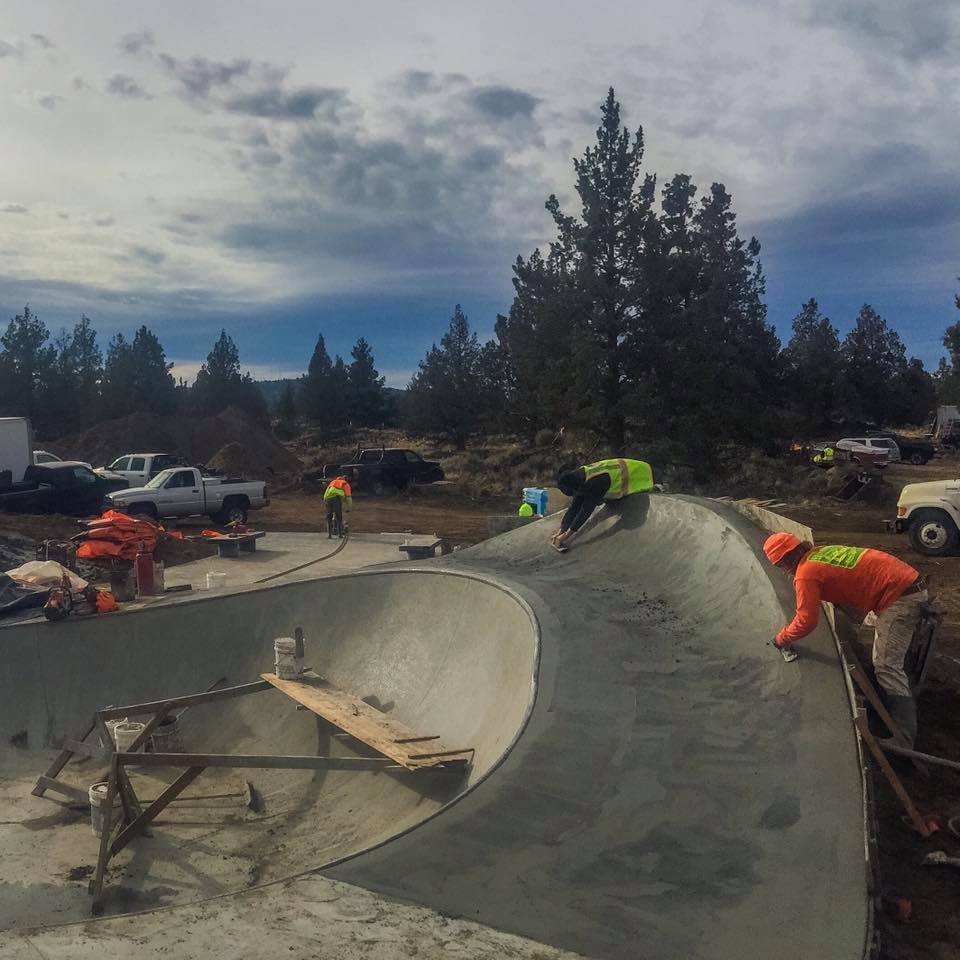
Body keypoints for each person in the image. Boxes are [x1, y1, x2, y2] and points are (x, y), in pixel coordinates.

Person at [763, 531, 927, 745]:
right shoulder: (820, 553)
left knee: (886, 665)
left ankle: (904, 737)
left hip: (900, 598)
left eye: (780, 565)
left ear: (786, 559)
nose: (783, 570)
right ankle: (883, 695)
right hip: (905, 582)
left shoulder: (806, 573)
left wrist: (782, 638)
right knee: (869, 638)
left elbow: (806, 620)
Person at [551, 458, 654, 550]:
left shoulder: (595, 483)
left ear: (576, 487)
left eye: (573, 493)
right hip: (623, 471)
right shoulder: (580, 477)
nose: (574, 495)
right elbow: (574, 506)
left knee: (620, 507)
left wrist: (566, 536)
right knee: (590, 500)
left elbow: (585, 511)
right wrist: (561, 530)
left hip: (640, 475)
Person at [323, 475, 352, 539]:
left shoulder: (333, 482)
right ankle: (340, 535)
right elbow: (348, 496)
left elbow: (327, 491)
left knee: (329, 516)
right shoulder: (345, 484)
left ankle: (329, 535)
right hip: (336, 499)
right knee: (338, 516)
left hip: (328, 499)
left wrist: (325, 500)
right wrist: (349, 506)